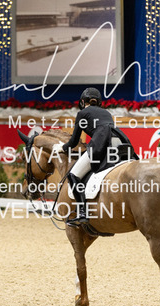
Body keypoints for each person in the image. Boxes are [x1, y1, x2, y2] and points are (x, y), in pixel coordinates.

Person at [52, 87, 133, 226]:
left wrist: (62, 147)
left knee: (73, 175)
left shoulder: (82, 113)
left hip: (101, 145)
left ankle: (82, 212)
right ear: (99, 102)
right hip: (118, 142)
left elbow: (74, 142)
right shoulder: (106, 112)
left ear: (83, 102)